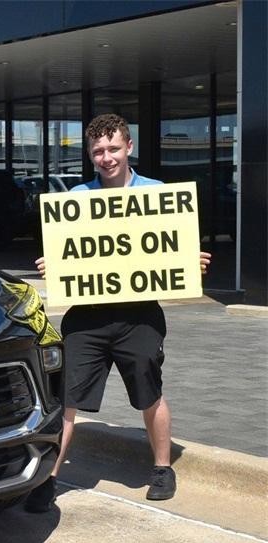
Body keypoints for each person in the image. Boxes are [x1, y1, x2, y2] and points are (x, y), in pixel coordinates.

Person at [25, 113, 212, 512]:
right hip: (86, 319)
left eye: (113, 148)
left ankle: (162, 469)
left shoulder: (157, 195)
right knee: (67, 400)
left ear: (129, 147)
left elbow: (169, 253)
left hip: (138, 316)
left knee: (150, 392)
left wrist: (189, 263)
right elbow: (71, 258)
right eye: (98, 151)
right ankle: (49, 478)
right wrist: (53, 266)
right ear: (91, 156)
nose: (106, 157)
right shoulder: (75, 199)